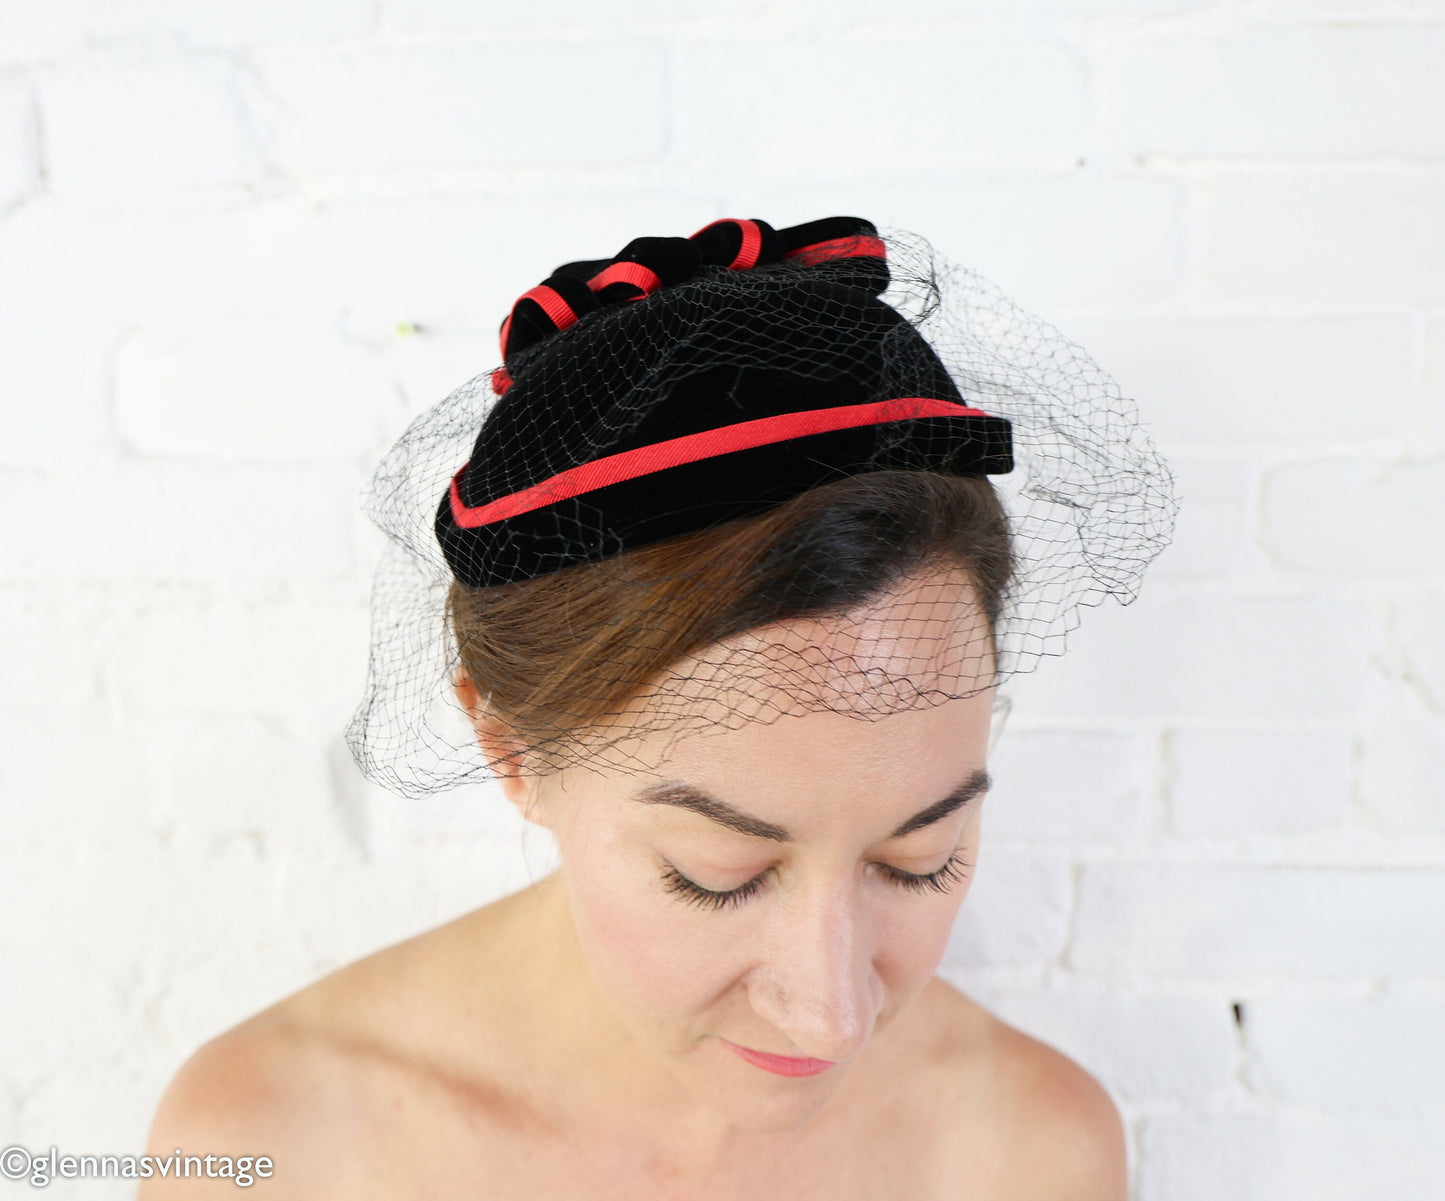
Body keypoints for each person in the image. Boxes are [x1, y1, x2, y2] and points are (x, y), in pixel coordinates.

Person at [141, 216, 1175, 1198]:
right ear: (510, 751)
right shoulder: (273, 1144)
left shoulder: (1029, 1152)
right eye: (716, 875)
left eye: (921, 859)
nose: (830, 1016)